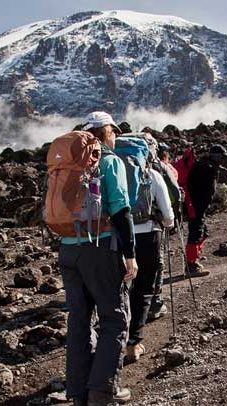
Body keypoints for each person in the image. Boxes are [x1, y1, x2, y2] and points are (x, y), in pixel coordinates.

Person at [57, 111, 138, 406]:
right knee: (114, 319)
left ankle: (78, 393)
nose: (115, 136)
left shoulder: (67, 163)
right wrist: (130, 254)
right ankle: (103, 394)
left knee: (79, 320)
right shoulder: (108, 161)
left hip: (67, 248)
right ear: (105, 132)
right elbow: (120, 210)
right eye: (113, 131)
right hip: (99, 247)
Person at [125, 165, 174, 363]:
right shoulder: (151, 175)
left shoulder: (112, 170)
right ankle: (133, 343)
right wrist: (167, 222)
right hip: (148, 234)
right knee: (144, 288)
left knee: (118, 286)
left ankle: (110, 338)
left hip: (116, 236)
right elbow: (168, 212)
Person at [183, 145, 227, 276]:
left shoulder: (202, 165)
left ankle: (193, 261)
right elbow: (206, 191)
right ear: (218, 157)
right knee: (196, 233)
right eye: (222, 157)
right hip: (195, 206)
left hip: (193, 205)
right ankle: (191, 265)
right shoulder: (208, 168)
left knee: (202, 232)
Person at [148, 144, 180, 321]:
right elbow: (174, 194)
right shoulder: (158, 170)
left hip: (124, 227)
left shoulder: (119, 165)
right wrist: (171, 221)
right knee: (156, 263)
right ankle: (155, 304)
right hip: (153, 225)